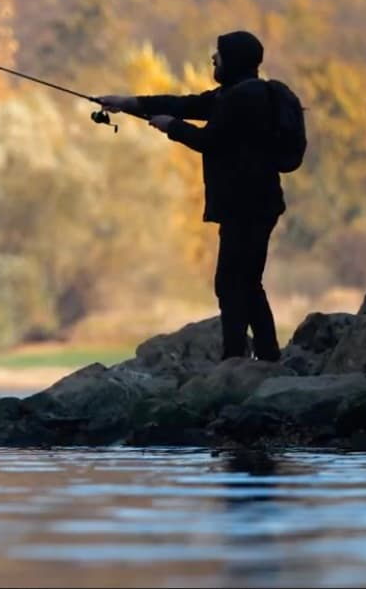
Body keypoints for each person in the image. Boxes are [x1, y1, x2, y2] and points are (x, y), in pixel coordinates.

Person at [98, 31, 285, 362]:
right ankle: (268, 358)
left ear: (234, 61)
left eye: (220, 55)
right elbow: (185, 104)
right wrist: (129, 104)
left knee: (230, 284)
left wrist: (172, 127)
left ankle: (236, 360)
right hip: (258, 204)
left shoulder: (242, 99)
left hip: (247, 206)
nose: (214, 59)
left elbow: (209, 140)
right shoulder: (237, 95)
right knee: (248, 282)